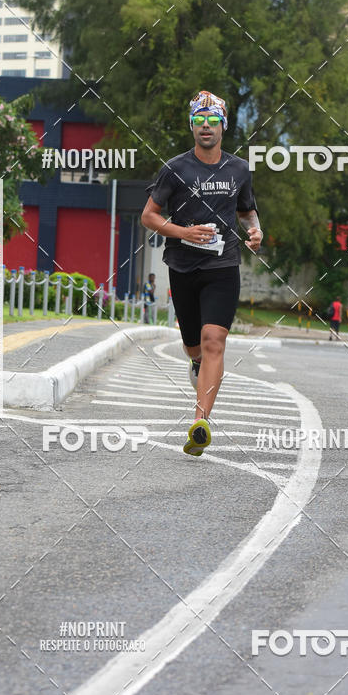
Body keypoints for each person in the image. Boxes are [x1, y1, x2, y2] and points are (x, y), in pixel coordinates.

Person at [141, 90, 262, 456]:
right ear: (192, 125)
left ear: (223, 126)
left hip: (223, 265)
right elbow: (149, 216)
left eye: (212, 121)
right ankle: (194, 362)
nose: (205, 126)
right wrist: (183, 232)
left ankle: (201, 422)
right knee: (194, 345)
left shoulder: (239, 169)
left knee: (214, 341)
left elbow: (247, 212)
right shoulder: (175, 169)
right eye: (199, 121)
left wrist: (255, 231)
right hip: (182, 266)